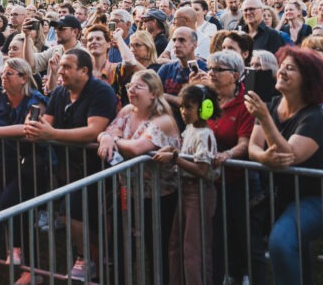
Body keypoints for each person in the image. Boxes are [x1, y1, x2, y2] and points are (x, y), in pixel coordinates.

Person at [245, 46, 323, 285]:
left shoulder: (315, 117)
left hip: (316, 199)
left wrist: (266, 120)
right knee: (296, 251)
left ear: (307, 80)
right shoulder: (270, 105)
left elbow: (290, 156)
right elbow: (253, 147)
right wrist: (263, 158)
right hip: (282, 196)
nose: (282, 72)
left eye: (291, 69)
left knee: (281, 241)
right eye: (282, 67)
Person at [24, 48, 118, 283]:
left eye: (67, 67)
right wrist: (35, 127)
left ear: (84, 71)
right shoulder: (59, 93)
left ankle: (92, 261)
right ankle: (91, 262)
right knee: (72, 215)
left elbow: (93, 130)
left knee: (85, 218)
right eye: (61, 66)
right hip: (67, 169)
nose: (60, 71)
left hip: (97, 170)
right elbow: (48, 122)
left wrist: (53, 133)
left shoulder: (101, 91)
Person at [0, 57, 49, 283]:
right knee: (15, 211)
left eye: (9, 74)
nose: (3, 77)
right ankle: (25, 264)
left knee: (11, 204)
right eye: (3, 73)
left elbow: (27, 128)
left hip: (32, 163)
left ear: (24, 77)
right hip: (6, 160)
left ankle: (25, 259)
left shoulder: (35, 100)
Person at [97, 70, 179, 283]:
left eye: (138, 87)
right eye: (129, 86)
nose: (131, 90)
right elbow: (108, 131)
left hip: (159, 196)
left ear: (154, 93)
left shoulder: (163, 120)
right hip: (128, 191)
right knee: (121, 243)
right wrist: (106, 136)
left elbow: (137, 148)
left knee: (156, 248)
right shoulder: (126, 111)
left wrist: (111, 140)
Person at [200, 49, 255, 285]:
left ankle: (243, 273)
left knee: (240, 231)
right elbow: (201, 126)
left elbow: (246, 143)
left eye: (217, 70)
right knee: (216, 232)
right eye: (210, 68)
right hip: (211, 179)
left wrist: (227, 154)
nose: (210, 73)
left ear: (234, 75)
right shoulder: (208, 100)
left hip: (237, 180)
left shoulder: (246, 104)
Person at [155, 84, 219, 285]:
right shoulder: (190, 128)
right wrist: (171, 149)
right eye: (181, 107)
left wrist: (175, 158)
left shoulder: (205, 135)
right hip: (184, 191)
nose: (183, 111)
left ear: (204, 108)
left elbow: (202, 170)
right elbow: (182, 149)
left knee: (193, 250)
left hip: (198, 194)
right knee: (175, 245)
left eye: (189, 107)